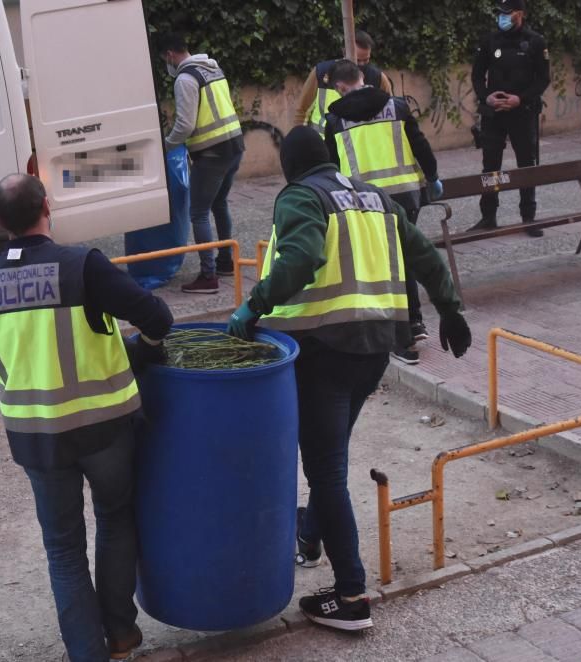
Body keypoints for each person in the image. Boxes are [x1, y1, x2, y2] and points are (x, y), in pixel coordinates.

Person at [227, 127, 470, 632]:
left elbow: (302, 257)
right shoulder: (374, 197)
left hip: (322, 352)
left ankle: (351, 594)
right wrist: (450, 309)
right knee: (330, 454)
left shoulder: (300, 196)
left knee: (326, 470)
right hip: (375, 348)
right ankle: (310, 535)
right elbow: (423, 253)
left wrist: (254, 305)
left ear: (289, 167)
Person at [0, 174, 173, 662]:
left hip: (36, 437)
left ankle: (87, 653)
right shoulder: (83, 266)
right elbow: (158, 320)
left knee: (62, 549)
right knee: (115, 519)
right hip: (105, 428)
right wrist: (139, 352)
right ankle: (121, 634)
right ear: (48, 205)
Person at [323, 58, 443, 366]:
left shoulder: (336, 121)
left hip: (366, 202)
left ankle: (401, 340)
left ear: (339, 87)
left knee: (384, 268)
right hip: (407, 195)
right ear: (362, 77)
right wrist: (432, 177)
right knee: (405, 258)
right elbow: (420, 145)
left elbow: (331, 167)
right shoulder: (397, 107)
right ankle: (415, 324)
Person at [158, 32, 245, 294]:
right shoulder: (212, 68)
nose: (166, 64)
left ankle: (208, 276)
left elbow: (185, 125)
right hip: (234, 147)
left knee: (198, 213)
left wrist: (166, 145)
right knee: (219, 203)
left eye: (164, 59)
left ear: (170, 55)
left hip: (211, 154)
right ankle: (226, 262)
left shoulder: (185, 79)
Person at [469, 0, 550, 237]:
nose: (503, 17)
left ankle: (528, 217)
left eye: (508, 13)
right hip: (494, 114)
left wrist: (521, 99)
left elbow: (543, 79)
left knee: (527, 164)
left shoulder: (535, 42)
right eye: (500, 13)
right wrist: (487, 98)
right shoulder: (490, 40)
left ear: (520, 14)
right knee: (490, 166)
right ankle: (488, 216)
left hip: (522, 114)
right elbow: (476, 75)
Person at [294, 29, 394, 135]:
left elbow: (392, 113)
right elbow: (302, 112)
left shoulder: (378, 78)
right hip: (322, 147)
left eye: (366, 60)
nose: (362, 65)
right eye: (358, 60)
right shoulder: (321, 73)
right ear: (344, 52)